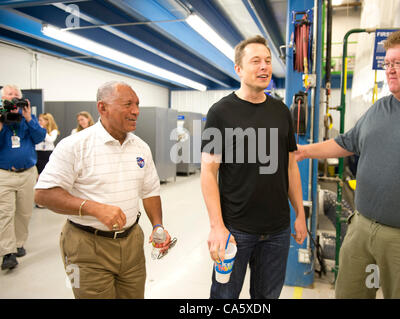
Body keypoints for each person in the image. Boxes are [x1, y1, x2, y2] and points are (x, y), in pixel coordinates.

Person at [295, 27, 400, 299]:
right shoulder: (381, 107)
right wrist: (303, 152)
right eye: (387, 63)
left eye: (397, 63)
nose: (389, 69)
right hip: (362, 231)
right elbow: (347, 142)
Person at [34, 81, 172, 299]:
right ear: (102, 107)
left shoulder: (141, 147)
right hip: (85, 247)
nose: (136, 111)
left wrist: (157, 225)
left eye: (137, 104)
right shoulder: (75, 146)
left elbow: (150, 191)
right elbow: (43, 194)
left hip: (132, 244)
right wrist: (93, 208)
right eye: (127, 104)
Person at [201, 35, 307, 299]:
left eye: (268, 61)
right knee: (224, 297)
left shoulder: (282, 111)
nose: (264, 67)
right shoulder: (221, 112)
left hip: (277, 231)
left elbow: (290, 167)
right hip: (235, 230)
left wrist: (300, 214)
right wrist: (217, 226)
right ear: (238, 69)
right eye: (256, 61)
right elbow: (209, 172)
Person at [0, 84, 46, 270]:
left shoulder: (28, 117)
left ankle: (18, 244)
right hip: (4, 174)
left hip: (27, 173)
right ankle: (7, 252)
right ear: (3, 98)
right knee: (5, 213)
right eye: (9, 94)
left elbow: (39, 137)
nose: (12, 97)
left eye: (15, 95)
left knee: (24, 212)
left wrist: (28, 118)